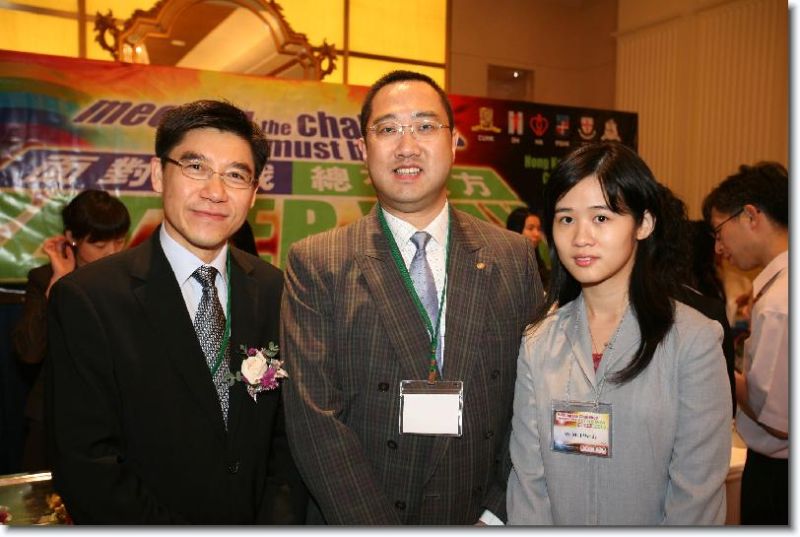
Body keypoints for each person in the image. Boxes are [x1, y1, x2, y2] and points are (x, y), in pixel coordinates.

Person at [281, 70, 543, 525]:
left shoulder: (512, 256)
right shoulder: (317, 262)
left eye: (424, 126)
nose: (406, 146)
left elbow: (535, 398)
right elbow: (314, 420)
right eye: (387, 129)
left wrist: (496, 514)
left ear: (454, 142)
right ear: (363, 149)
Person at [45, 100, 306, 523]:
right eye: (196, 167)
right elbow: (88, 464)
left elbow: (288, 439)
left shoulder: (275, 289)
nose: (215, 192)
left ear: (254, 192)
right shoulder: (89, 298)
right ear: (157, 174)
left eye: (235, 175)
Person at [507, 141, 731, 525]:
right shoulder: (539, 341)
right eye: (566, 219)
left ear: (644, 224)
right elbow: (529, 485)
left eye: (601, 217)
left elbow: (696, 497)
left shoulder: (693, 341)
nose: (581, 237)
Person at [13, 189, 130, 472]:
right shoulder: (44, 279)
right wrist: (59, 283)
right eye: (99, 245)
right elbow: (30, 352)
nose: (112, 252)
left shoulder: (131, 278)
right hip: (54, 416)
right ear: (72, 237)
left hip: (116, 417)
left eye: (119, 241)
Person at [702, 161, 788, 525]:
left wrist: (720, 369)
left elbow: (780, 420)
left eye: (719, 232)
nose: (719, 247)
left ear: (750, 215)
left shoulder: (780, 303)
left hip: (778, 479)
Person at [506, 206, 550, 288]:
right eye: (530, 228)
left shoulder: (539, 263)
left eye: (538, 229)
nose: (537, 234)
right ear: (516, 230)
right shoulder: (505, 264)